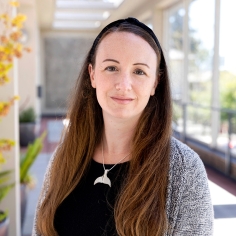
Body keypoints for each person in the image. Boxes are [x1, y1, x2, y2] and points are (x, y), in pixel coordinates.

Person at [33, 17, 213, 236]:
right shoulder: (66, 155)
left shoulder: (185, 170)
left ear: (155, 83)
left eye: (139, 71)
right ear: (92, 75)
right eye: (111, 67)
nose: (123, 85)